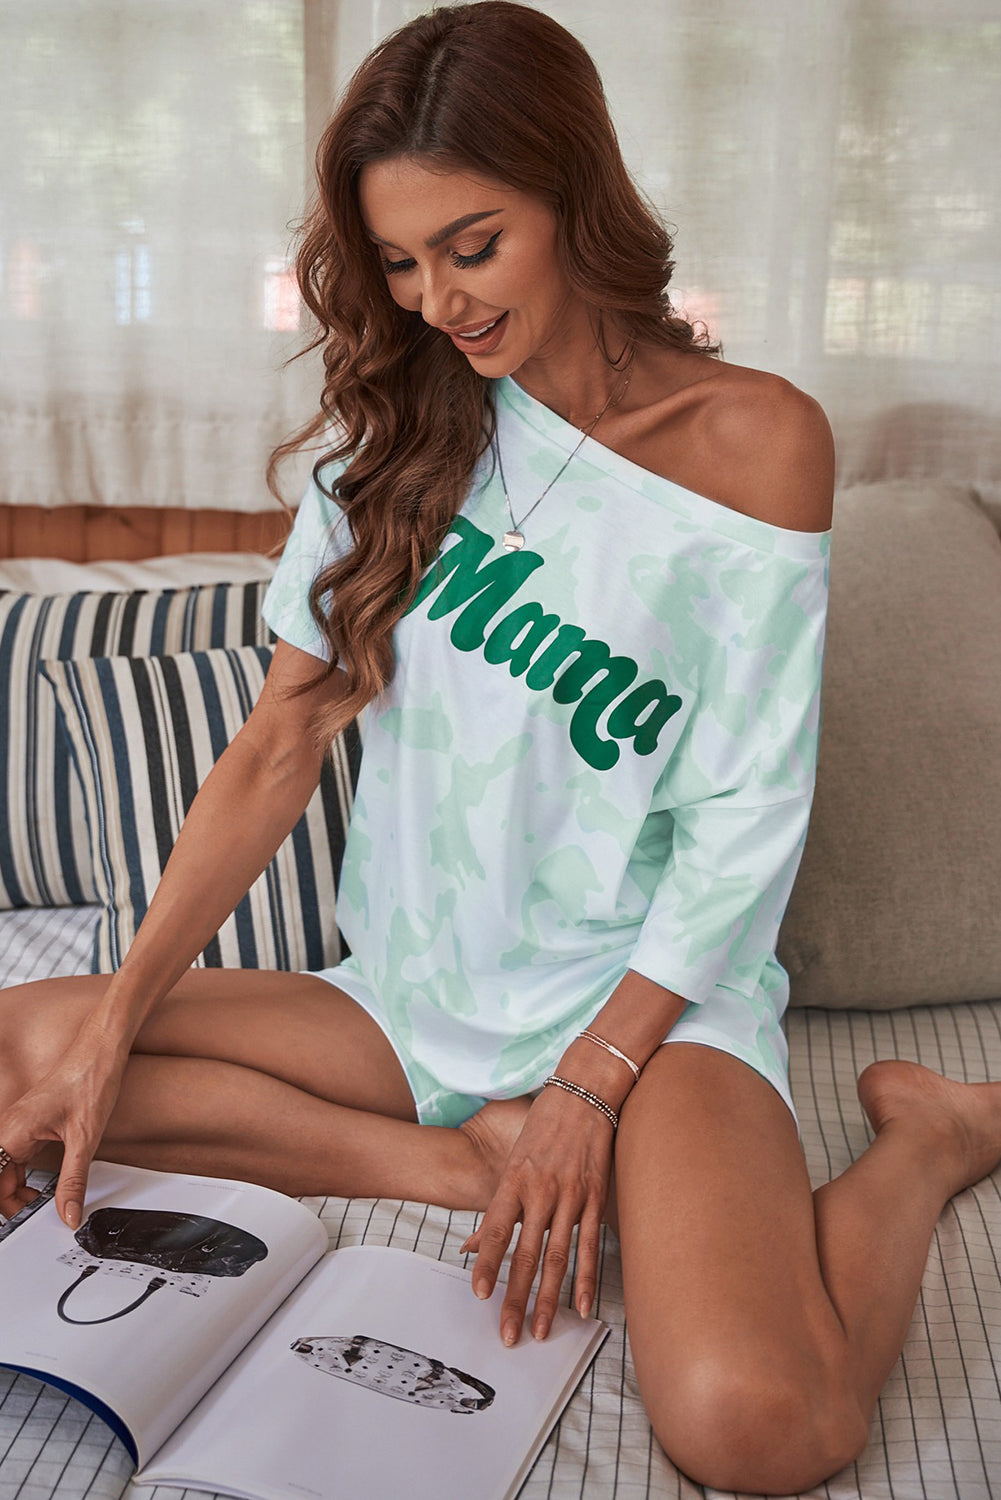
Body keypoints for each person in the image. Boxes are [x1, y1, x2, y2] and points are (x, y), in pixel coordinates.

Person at [2, 4, 1000, 1491]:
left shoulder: (756, 444)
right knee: (27, 1049)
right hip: (417, 999)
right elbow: (276, 745)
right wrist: (117, 1022)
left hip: (649, 1008)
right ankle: (454, 1160)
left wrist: (591, 1087)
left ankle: (926, 1143)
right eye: (401, 263)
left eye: (473, 246)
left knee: (760, 1430)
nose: (439, 302)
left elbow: (744, 812)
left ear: (574, 198)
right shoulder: (396, 443)